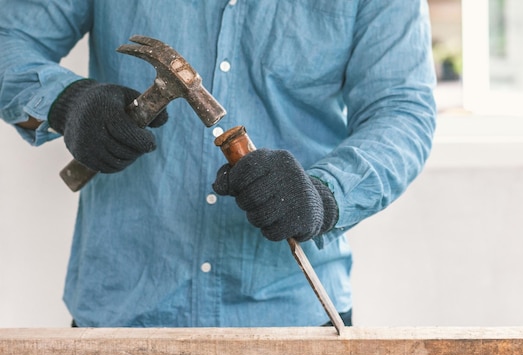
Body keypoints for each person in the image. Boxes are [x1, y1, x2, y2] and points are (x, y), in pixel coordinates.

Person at [0, 1, 437, 327]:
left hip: (294, 321)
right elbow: (8, 37)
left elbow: (402, 110)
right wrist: (66, 102)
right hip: (120, 314)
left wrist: (327, 194)